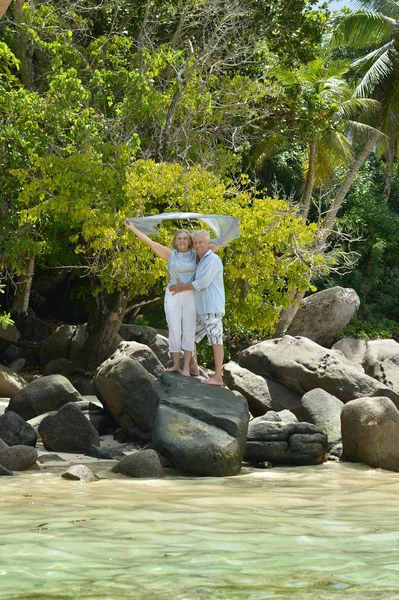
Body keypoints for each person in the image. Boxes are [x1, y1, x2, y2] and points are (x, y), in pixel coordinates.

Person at [124, 219, 197, 376]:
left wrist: (233, 228)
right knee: (174, 330)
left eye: (185, 238)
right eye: (179, 238)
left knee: (189, 329)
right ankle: (176, 365)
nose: (182, 241)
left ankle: (188, 368)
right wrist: (132, 228)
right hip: (172, 295)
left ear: (190, 241)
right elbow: (150, 243)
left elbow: (216, 245)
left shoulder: (196, 254)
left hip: (190, 296)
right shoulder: (170, 254)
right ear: (175, 242)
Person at [169, 229, 227, 386]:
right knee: (189, 336)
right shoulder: (201, 261)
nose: (198, 245)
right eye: (195, 243)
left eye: (201, 242)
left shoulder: (212, 259)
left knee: (216, 340)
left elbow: (203, 282)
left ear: (208, 243)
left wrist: (182, 288)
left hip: (212, 308)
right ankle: (194, 367)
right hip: (202, 309)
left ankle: (218, 377)